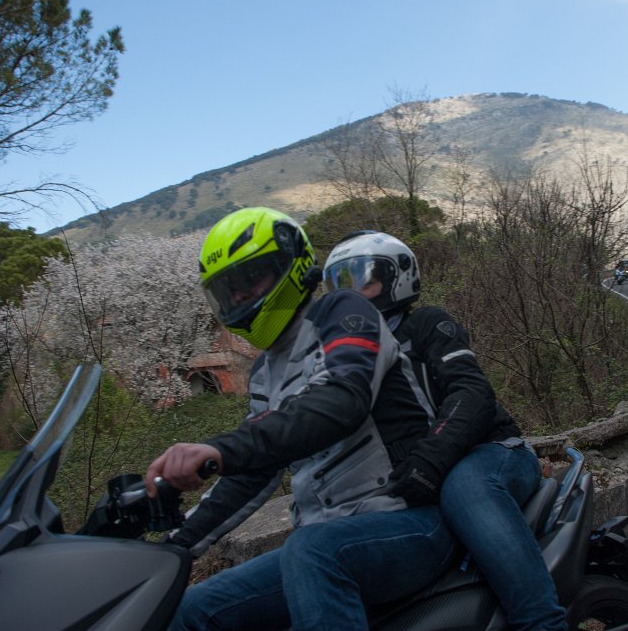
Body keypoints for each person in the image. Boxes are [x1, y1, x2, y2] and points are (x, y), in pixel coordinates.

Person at [145, 208, 457, 631]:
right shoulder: (264, 372)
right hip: (323, 540)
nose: (240, 298)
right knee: (188, 611)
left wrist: (220, 449)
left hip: (405, 518)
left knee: (311, 549)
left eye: (250, 280)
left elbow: (341, 399)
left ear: (290, 266)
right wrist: (175, 547)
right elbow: (255, 468)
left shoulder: (343, 312)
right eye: (229, 290)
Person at [322, 230, 567, 631]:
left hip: (489, 451)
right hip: (418, 477)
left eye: (363, 280)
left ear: (398, 276)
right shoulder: (345, 358)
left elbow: (472, 391)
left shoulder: (426, 324)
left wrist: (431, 458)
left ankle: (541, 621)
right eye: (339, 284)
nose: (351, 294)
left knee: (465, 488)